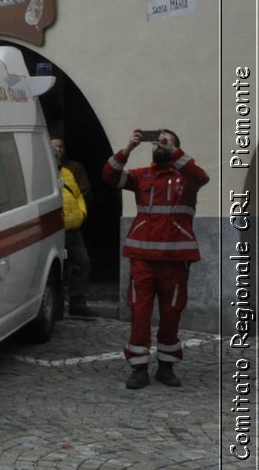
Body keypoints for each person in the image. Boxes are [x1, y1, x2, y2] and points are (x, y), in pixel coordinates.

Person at [102, 128, 209, 388]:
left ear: (176, 148)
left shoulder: (186, 178)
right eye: (157, 143)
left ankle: (166, 365)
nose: (159, 145)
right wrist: (128, 148)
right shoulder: (141, 176)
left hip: (175, 261)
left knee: (172, 314)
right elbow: (109, 176)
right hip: (143, 260)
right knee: (140, 313)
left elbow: (201, 176)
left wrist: (174, 151)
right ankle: (138, 368)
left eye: (166, 142)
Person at [51, 138, 92, 316]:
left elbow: (79, 194)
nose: (57, 153)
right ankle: (56, 309)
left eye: (59, 149)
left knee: (82, 263)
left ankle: (77, 304)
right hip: (52, 231)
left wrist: (81, 213)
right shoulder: (42, 174)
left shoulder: (68, 172)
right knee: (55, 270)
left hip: (72, 230)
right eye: (54, 151)